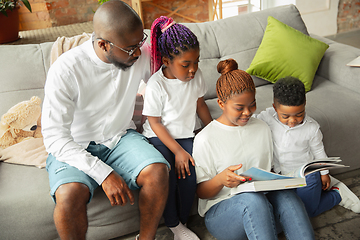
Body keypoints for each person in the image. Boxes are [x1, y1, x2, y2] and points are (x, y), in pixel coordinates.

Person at [41, 1, 170, 240]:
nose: (139, 53)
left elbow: (170, 67)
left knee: (158, 172)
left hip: (120, 136)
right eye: (131, 48)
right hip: (74, 145)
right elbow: (54, 138)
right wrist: (104, 174)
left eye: (139, 42)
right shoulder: (66, 70)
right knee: (69, 195)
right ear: (103, 44)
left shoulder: (135, 54)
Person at [193, 59, 315, 240]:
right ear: (221, 103)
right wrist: (220, 179)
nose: (248, 112)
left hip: (262, 207)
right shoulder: (205, 139)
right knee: (253, 200)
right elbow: (201, 192)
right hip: (223, 214)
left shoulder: (262, 128)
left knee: (287, 196)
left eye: (252, 104)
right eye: (239, 108)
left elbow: (268, 170)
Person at [141, 16, 212, 240]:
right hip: (159, 137)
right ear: (166, 61)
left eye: (197, 62)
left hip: (186, 136)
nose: (193, 70)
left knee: (190, 179)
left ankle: (180, 223)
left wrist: (212, 129)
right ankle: (173, 224)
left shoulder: (196, 76)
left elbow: (200, 104)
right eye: (186, 64)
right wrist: (178, 151)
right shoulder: (156, 85)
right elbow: (155, 122)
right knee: (168, 178)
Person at [255, 76, 360, 217]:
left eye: (299, 114)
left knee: (306, 211)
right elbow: (251, 122)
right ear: (275, 108)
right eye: (285, 116)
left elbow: (318, 152)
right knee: (291, 210)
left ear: (305, 104)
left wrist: (325, 174)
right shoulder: (267, 116)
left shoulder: (312, 128)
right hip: (280, 175)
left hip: (306, 174)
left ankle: (337, 194)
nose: (292, 121)